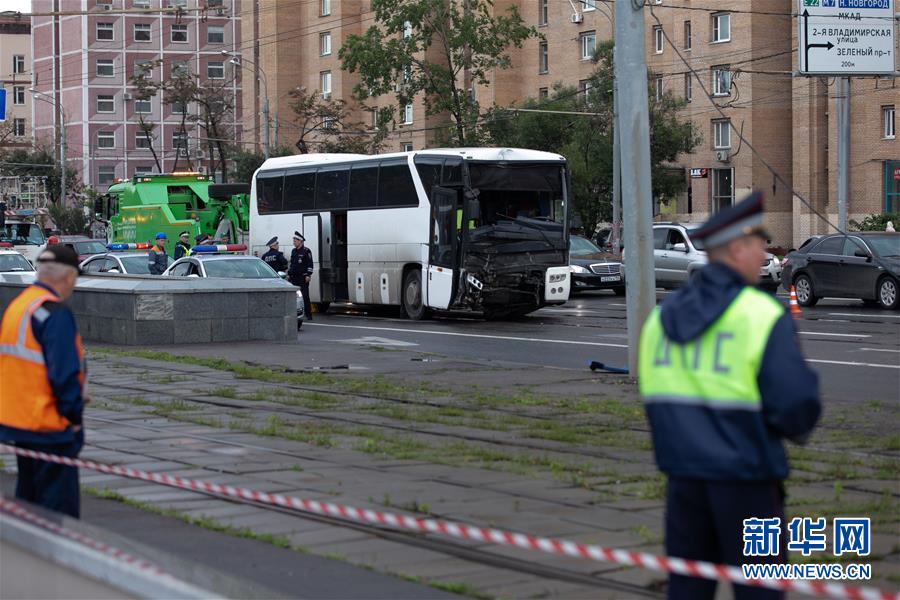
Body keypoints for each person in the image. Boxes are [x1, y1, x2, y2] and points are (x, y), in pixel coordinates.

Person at [638, 191, 821, 600]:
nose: (764, 257)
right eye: (759, 246)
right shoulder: (760, 314)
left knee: (687, 589)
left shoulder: (661, 319)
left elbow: (653, 398)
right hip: (748, 482)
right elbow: (796, 406)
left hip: (683, 481)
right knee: (760, 591)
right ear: (737, 247)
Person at [0, 245, 87, 518]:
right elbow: (64, 374)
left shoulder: (21, 305)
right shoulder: (53, 312)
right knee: (56, 512)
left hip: (19, 422)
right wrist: (73, 417)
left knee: (29, 504)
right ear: (69, 277)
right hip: (49, 425)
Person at [288, 231, 314, 319]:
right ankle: (295, 313)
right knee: (294, 297)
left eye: (295, 241)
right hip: (294, 277)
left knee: (305, 296)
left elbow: (310, 264)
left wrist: (308, 275)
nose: (294, 242)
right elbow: (292, 264)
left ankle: (309, 315)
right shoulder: (293, 251)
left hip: (303, 277)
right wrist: (289, 273)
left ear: (300, 241)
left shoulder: (306, 251)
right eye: (294, 241)